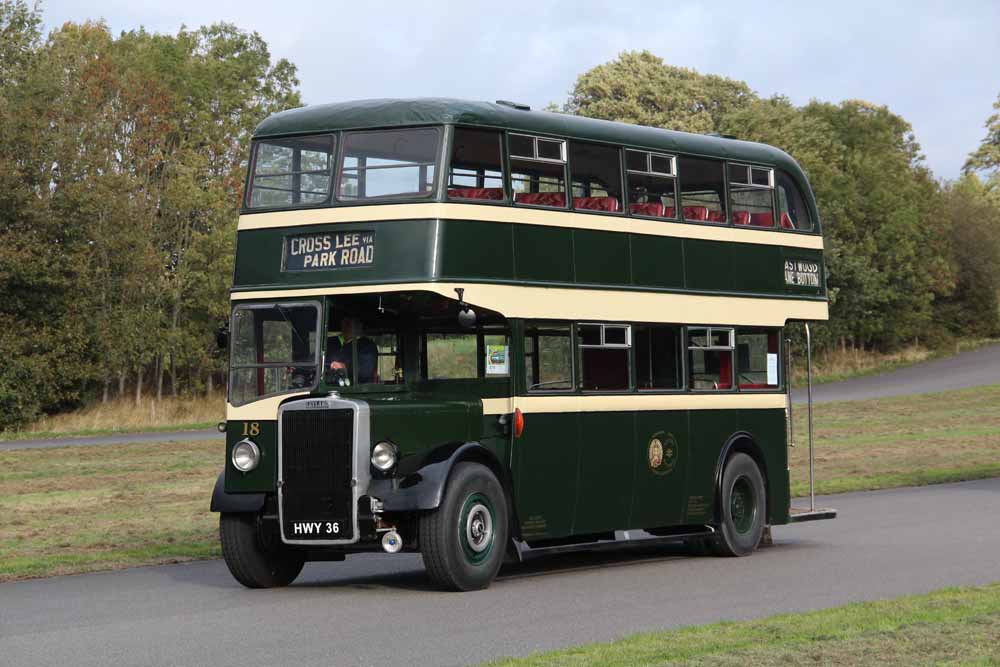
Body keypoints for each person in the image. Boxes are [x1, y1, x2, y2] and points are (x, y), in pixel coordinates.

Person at [327, 316, 378, 384]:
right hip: (329, 386)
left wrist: (345, 367)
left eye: (348, 324)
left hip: (356, 391)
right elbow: (315, 359)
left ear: (360, 326)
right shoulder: (330, 342)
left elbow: (365, 371)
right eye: (343, 323)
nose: (345, 327)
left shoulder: (367, 345)